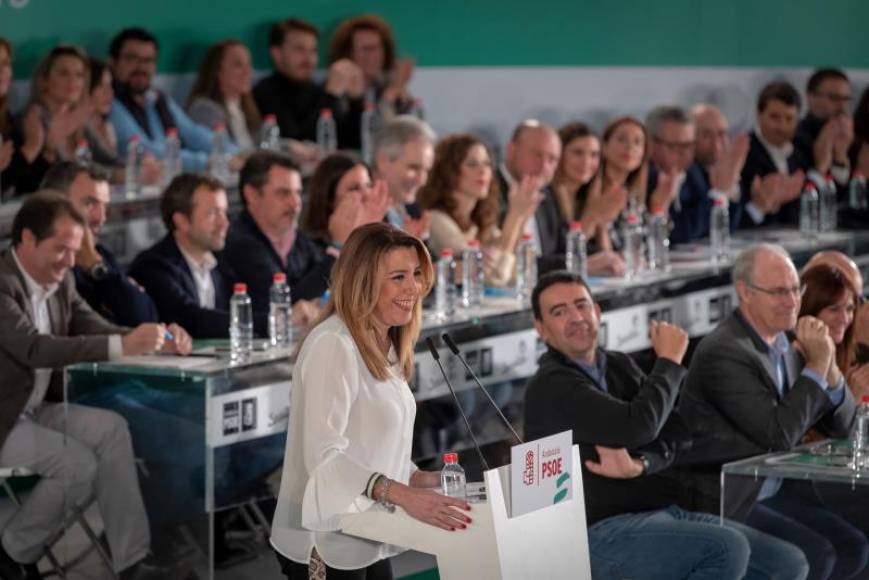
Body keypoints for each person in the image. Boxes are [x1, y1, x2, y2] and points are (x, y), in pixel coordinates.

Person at [524, 270, 809, 580]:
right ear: (542, 329)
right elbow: (638, 427)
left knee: (787, 562)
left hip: (659, 512)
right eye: (559, 311)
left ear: (597, 311)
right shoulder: (551, 385)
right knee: (726, 548)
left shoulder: (617, 364)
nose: (576, 317)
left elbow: (678, 430)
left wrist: (641, 463)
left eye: (582, 305)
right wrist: (670, 362)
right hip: (597, 532)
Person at [0, 192, 191, 580]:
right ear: (27, 239)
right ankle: (11, 551)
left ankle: (132, 561)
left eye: (75, 251)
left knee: (112, 429)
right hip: (4, 418)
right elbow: (33, 349)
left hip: (34, 409)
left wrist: (151, 341)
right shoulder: (2, 285)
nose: (71, 262)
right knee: (77, 463)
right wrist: (123, 344)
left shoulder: (63, 282)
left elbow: (98, 330)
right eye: (61, 249)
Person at [270, 222, 471, 579]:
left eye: (416, 274)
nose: (414, 287)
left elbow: (369, 440)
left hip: (369, 526)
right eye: (398, 277)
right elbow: (324, 456)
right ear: (362, 282)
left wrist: (418, 479)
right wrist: (403, 496)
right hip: (324, 538)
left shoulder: (386, 343)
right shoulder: (334, 345)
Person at [679, 244, 865, 580]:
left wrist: (832, 374)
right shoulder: (725, 351)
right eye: (779, 292)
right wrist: (819, 363)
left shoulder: (788, 342)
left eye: (795, 289)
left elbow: (845, 427)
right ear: (745, 293)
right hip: (727, 499)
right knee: (810, 556)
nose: (793, 301)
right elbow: (778, 434)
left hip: (774, 488)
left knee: (853, 545)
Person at [223, 151, 382, 322]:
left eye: (298, 192)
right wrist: (338, 247)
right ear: (252, 195)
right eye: (283, 193)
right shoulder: (238, 242)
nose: (295, 203)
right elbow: (287, 305)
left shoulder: (299, 241)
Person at [129, 173, 263, 338]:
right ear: (182, 221)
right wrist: (269, 322)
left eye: (224, 212)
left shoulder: (221, 262)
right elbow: (193, 320)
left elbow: (252, 303)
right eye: (213, 213)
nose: (224, 222)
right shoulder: (153, 266)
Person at [40, 160, 160, 326]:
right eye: (90, 204)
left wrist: (95, 266)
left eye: (105, 207)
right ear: (55, 203)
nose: (101, 218)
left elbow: (146, 318)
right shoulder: (39, 262)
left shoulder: (99, 255)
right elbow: (79, 330)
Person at [108, 27, 240, 172]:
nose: (141, 67)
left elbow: (193, 133)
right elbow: (143, 149)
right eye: (132, 59)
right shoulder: (109, 102)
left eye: (148, 60)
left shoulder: (158, 98)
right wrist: (207, 162)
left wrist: (236, 153)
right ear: (113, 62)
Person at [417, 133, 537, 286]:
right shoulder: (435, 219)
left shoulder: (478, 222)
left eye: (487, 164)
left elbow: (516, 273)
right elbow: (494, 278)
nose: (483, 171)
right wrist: (515, 217)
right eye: (472, 164)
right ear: (448, 172)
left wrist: (520, 219)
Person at [253, 18, 363, 150]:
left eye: (313, 50)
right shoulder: (265, 91)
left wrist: (356, 100)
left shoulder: (318, 90)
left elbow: (352, 141)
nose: (308, 58)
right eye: (299, 49)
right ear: (276, 54)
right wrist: (331, 96)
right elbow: (299, 141)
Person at [647, 105, 748, 244]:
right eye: (675, 146)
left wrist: (726, 190)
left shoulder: (694, 172)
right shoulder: (643, 179)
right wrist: (719, 193)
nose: (685, 153)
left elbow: (724, 228)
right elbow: (679, 234)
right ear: (651, 143)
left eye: (689, 145)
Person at [328, 14, 419, 148]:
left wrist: (392, 94)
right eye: (366, 49)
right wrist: (388, 98)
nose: (372, 56)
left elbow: (404, 140)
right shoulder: (335, 90)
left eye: (377, 48)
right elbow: (356, 139)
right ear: (348, 53)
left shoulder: (389, 88)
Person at [12, 44, 92, 194]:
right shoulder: (29, 120)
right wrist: (48, 150)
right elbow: (23, 186)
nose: (72, 81)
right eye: (63, 73)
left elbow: (100, 165)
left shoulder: (79, 119)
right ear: (44, 80)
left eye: (79, 75)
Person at [739, 81, 808, 229]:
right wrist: (759, 204)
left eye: (789, 119)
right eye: (775, 117)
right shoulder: (743, 154)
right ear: (759, 115)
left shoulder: (800, 153)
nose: (782, 126)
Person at [84, 58, 161, 185]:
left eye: (110, 86)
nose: (108, 94)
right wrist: (127, 174)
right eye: (100, 87)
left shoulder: (108, 126)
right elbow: (89, 168)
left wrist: (142, 162)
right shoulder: (79, 128)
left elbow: (114, 161)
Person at [301, 152, 390, 251]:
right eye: (354, 189)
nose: (367, 194)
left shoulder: (382, 232)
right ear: (329, 200)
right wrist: (340, 243)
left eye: (368, 185)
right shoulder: (308, 247)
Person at [187, 40, 261, 151]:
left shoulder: (245, 107)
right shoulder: (204, 109)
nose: (248, 71)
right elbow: (223, 153)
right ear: (217, 70)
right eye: (238, 64)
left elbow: (262, 144)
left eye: (249, 64)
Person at [689, 103, 749, 236]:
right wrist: (719, 192)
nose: (716, 143)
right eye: (706, 135)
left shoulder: (726, 168)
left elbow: (732, 228)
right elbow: (691, 230)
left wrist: (731, 187)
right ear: (690, 137)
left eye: (721, 134)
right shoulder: (686, 173)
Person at [372, 115, 436, 238]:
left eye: (426, 170)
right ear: (383, 161)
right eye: (413, 168)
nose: (422, 180)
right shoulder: (358, 214)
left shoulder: (414, 212)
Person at [795, 69, 853, 186]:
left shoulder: (853, 138)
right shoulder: (794, 137)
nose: (842, 106)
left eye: (845, 99)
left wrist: (840, 157)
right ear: (811, 97)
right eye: (834, 98)